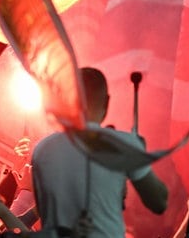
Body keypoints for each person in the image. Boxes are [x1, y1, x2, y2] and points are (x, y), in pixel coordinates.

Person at [31, 67, 168, 237]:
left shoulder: (42, 150)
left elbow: (42, 210)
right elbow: (159, 202)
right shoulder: (123, 144)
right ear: (107, 102)